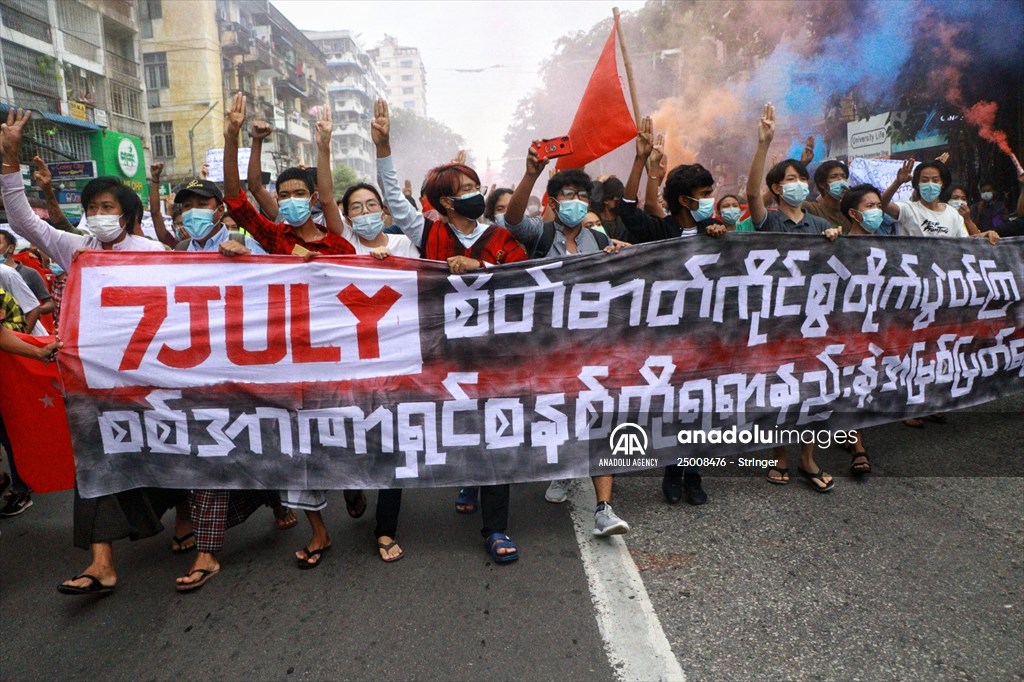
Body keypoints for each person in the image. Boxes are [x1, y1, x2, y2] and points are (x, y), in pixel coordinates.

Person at [386, 134, 527, 563]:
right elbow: (394, 198)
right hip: (442, 354)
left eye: (474, 187)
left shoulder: (502, 239)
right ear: (445, 204)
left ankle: (496, 528)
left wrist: (481, 267)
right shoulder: (428, 234)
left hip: (494, 353)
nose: (475, 196)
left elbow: (525, 280)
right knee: (459, 427)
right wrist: (382, 147)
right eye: (464, 191)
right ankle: (469, 478)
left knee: (495, 435)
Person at [498, 146, 630, 536]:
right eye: (568, 195)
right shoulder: (541, 232)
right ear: (554, 202)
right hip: (546, 347)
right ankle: (562, 469)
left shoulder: (597, 236)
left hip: (592, 346)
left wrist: (620, 253)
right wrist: (530, 175)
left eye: (582, 195)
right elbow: (513, 218)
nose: (576, 202)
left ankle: (604, 508)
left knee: (599, 418)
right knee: (555, 414)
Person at [747, 103, 841, 493]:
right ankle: (779, 457)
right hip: (780, 321)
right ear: (776, 189)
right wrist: (763, 144)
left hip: (817, 320)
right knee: (783, 389)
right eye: (790, 178)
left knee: (815, 390)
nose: (798, 183)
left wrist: (838, 241)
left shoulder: (821, 224)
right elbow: (751, 192)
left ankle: (807, 458)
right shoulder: (768, 220)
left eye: (802, 177)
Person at [223, 94, 355, 259]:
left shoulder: (341, 248)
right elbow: (236, 200)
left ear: (313, 198)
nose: (292, 199)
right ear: (277, 200)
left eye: (299, 194)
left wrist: (323, 147)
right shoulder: (274, 236)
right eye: (285, 195)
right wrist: (231, 138)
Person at [880, 158, 1000, 244]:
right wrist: (898, 182)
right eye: (925, 180)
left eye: (935, 180)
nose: (930, 184)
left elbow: (965, 242)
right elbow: (883, 205)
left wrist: (985, 235)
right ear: (918, 184)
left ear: (943, 184)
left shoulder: (952, 213)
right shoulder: (907, 208)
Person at [172, 178, 266, 256]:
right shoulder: (180, 250)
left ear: (220, 210)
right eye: (187, 206)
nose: (193, 211)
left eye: (202, 204)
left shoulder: (244, 243)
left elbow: (271, 273)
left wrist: (249, 256)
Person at [801, 160, 851, 233]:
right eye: (834, 177)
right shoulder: (812, 209)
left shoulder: (850, 212)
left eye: (844, 176)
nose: (841, 180)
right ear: (822, 184)